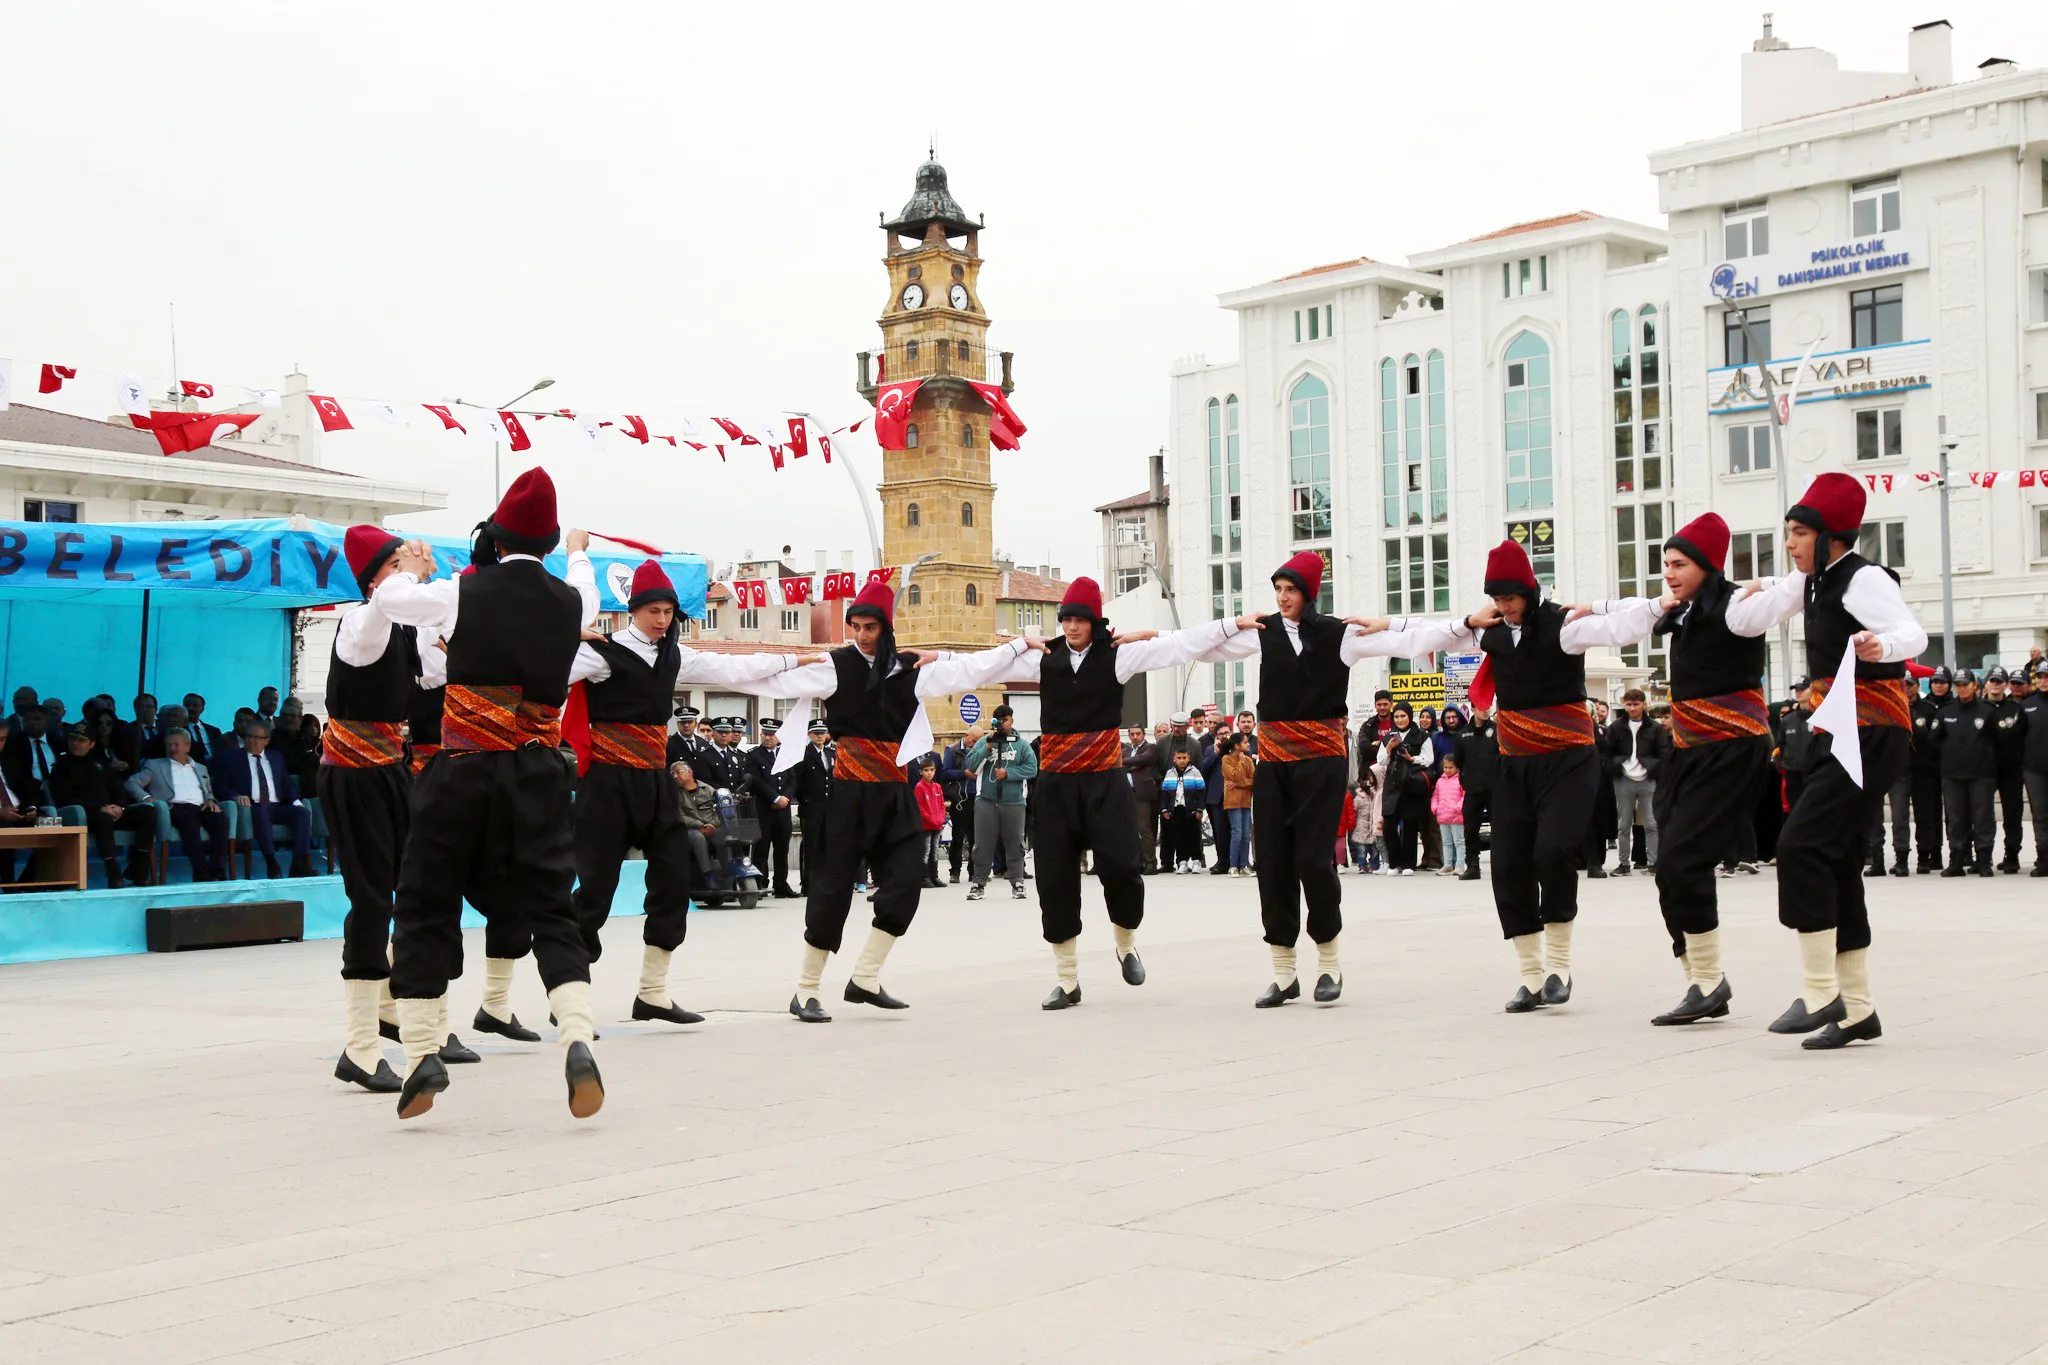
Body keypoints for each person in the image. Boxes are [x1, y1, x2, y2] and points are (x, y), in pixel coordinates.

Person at [373, 469, 608, 1120]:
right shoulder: (570, 599)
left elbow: (393, 600)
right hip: (536, 770)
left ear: (495, 537)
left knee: (424, 898)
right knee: (551, 906)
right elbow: (585, 586)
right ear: (552, 539)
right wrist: (581, 550)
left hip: (463, 769)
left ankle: (422, 1052)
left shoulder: (460, 592)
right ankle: (579, 1036)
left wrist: (413, 567)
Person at [1357, 539, 1653, 1013]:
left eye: (1510, 597)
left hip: (1569, 760)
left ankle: (1558, 967)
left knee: (1553, 851)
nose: (1503, 606)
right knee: (1510, 863)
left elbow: (1629, 623)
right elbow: (1432, 633)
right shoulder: (1490, 630)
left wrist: (1604, 604)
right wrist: (1386, 625)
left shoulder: (1564, 625)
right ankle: (1531, 977)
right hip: (1514, 763)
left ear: (1529, 591)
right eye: (1496, 598)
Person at [738, 579, 1040, 1022]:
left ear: (887, 628)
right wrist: (786, 658)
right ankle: (805, 991)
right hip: (848, 794)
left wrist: (1018, 645)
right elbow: (751, 674)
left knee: (905, 884)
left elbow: (976, 669)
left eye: (870, 627)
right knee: (832, 889)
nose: (861, 635)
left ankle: (865, 976)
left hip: (895, 792)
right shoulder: (833, 666)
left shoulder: (910, 668)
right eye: (855, 626)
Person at [954, 578, 1244, 1005]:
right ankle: (1067, 979)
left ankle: (1125, 944)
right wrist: (949, 657)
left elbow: (1183, 645)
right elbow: (982, 667)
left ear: (1095, 622)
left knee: (1123, 866)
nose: (1072, 627)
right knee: (1054, 877)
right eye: (1066, 619)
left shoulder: (1119, 655)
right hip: (1055, 783)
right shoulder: (1044, 659)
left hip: (1105, 780)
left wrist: (1233, 623)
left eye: (1080, 620)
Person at [1731, 472, 1927, 1050]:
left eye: (1797, 533)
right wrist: (1755, 590)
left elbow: (1911, 633)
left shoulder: (1862, 577)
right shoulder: (1808, 581)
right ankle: (1858, 1010)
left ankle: (1821, 993)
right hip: (1838, 728)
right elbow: (1745, 622)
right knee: (1835, 858)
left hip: (1872, 730)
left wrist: (1879, 646)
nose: (1790, 544)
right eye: (1788, 533)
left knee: (1800, 846)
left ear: (1832, 536)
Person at [567, 560, 807, 1029]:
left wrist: (797, 659)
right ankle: (572, 1001)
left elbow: (736, 668)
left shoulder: (675, 655)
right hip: (607, 783)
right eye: (653, 611)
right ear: (632, 611)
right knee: (595, 888)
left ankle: (652, 994)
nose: (661, 620)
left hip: (654, 783)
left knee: (675, 877)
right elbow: (532, 667)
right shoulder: (601, 652)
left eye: (668, 612)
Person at [1570, 513, 1780, 1026]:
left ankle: (1708, 982)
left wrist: (1768, 581)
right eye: (1665, 564)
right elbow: (1632, 608)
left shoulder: (1738, 607)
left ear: (1708, 564)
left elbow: (1791, 592)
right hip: (1689, 749)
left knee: (1683, 861)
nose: (1668, 573)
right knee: (1670, 868)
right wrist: (1594, 606)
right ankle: (1705, 981)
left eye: (1679, 564)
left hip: (1732, 747)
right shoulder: (1680, 609)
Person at [1196, 551, 1425, 1007]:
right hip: (1276, 762)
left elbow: (1414, 638)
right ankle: (1283, 974)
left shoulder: (1339, 635)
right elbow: (1197, 648)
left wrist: (1394, 623)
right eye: (1278, 590)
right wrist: (1228, 624)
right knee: (1274, 861)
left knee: (1313, 860)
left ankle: (1328, 963)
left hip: (1321, 761)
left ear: (1309, 594)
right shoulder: (1264, 633)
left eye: (1291, 590)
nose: (1282, 598)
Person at [48, 727, 156, 888]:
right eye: (73, 739)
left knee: (148, 811)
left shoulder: (100, 763)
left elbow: (118, 789)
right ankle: (113, 873)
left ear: (91, 744)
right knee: (103, 818)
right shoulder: (61, 766)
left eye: (81, 740)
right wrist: (98, 808)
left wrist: (120, 806)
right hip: (83, 815)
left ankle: (138, 869)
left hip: (110, 811)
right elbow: (64, 798)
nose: (76, 744)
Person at [128, 728, 232, 881]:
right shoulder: (155, 765)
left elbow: (208, 790)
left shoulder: (200, 768)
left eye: (176, 745)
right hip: (174, 807)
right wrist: (147, 798)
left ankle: (218, 869)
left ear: (187, 746)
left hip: (201, 806)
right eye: (169, 745)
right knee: (189, 819)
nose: (172, 749)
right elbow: (131, 783)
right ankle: (200, 870)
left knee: (220, 819)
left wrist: (211, 800)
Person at [216, 718, 313, 879]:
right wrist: (236, 796)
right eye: (249, 737)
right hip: (252, 806)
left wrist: (296, 802)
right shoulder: (231, 758)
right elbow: (219, 786)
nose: (252, 741)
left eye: (257, 737)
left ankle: (299, 864)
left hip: (277, 806)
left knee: (302, 814)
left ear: (266, 741)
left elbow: (286, 783)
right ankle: (271, 862)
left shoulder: (275, 757)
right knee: (260, 812)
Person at [964, 705, 1037, 901]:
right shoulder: (984, 741)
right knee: (982, 844)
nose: (1002, 724)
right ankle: (978, 883)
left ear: (1012, 720)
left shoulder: (1022, 745)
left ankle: (1017, 882)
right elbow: (970, 765)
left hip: (1014, 802)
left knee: (1015, 843)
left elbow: (1032, 769)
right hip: (986, 801)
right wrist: (987, 746)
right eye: (998, 721)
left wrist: (1009, 774)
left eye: (1005, 720)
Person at [1934, 669, 1996, 878]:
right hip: (1952, 774)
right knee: (1956, 819)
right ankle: (1957, 861)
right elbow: (1934, 740)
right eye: (1958, 685)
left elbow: (2000, 742)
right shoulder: (1946, 710)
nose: (1961, 688)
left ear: (1975, 686)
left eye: (1965, 684)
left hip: (1981, 774)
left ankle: (1984, 861)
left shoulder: (1988, 710)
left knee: (1983, 818)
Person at [1601, 688, 1669, 875]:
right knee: (1623, 824)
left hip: (1647, 778)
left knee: (1651, 823)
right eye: (1629, 704)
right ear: (1624, 704)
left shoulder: (1655, 728)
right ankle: (1624, 864)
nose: (1632, 708)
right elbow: (1607, 752)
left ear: (1643, 704)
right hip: (1623, 778)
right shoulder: (1616, 727)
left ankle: (1654, 863)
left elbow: (1663, 753)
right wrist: (1616, 767)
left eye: (1636, 704)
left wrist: (1654, 768)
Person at [743, 716, 800, 898]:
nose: (767, 738)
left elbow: (792, 778)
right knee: (761, 850)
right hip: (764, 809)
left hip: (783, 811)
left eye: (771, 735)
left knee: (782, 849)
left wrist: (786, 797)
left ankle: (781, 885)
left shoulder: (786, 754)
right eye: (764, 734)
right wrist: (775, 798)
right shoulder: (753, 755)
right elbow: (756, 781)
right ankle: (760, 884)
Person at [1985, 667, 2028, 874]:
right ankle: (1981, 856)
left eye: (1999, 681)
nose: (1996, 683)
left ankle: (2012, 855)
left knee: (2012, 815)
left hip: (2011, 770)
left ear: (2005, 684)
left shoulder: (2016, 709)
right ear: (1986, 683)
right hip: (1984, 770)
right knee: (1982, 815)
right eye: (1992, 680)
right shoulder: (1980, 708)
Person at [1379, 705, 1430, 876]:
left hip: (1411, 783)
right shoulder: (1388, 737)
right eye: (1397, 716)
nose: (1400, 720)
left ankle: (1409, 863)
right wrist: (1389, 749)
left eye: (1403, 716)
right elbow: (1381, 762)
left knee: (1410, 825)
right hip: (1392, 784)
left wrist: (1411, 758)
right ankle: (1394, 863)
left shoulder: (1422, 735)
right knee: (1389, 826)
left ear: (1409, 716)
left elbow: (1429, 759)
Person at [1908, 667, 1949, 873]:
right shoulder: (1896, 707)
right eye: (1904, 685)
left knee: (1930, 813)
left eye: (1910, 685)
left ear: (1917, 686)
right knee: (1916, 815)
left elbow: (1935, 739)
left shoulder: (1929, 708)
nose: (1907, 689)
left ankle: (1934, 853)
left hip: (1927, 769)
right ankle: (1921, 853)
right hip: (1904, 769)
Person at [1454, 705, 1497, 881]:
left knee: (1500, 829)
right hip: (1472, 790)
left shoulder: (1497, 730)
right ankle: (1472, 866)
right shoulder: (1463, 734)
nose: (1485, 710)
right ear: (1473, 708)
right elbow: (1458, 761)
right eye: (1481, 707)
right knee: (1470, 829)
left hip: (1495, 790)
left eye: (1488, 707)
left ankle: (1500, 865)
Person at [793, 717, 834, 894]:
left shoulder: (831, 754)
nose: (819, 736)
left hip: (828, 807)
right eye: (816, 733)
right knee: (811, 846)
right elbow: (797, 782)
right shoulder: (804, 754)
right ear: (810, 734)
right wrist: (806, 801)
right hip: (811, 807)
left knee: (827, 846)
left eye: (822, 733)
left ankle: (824, 882)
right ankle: (808, 883)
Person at [1158, 748, 1207, 872]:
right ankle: (1182, 861)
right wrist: (1164, 809)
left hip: (1191, 810)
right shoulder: (1170, 773)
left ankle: (1196, 861)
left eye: (1184, 758)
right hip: (1176, 810)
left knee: (1194, 835)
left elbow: (1202, 792)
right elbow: (1164, 793)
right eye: (1179, 758)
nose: (1181, 761)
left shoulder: (1195, 772)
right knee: (1179, 836)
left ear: (1188, 758)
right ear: (1174, 759)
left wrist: (1200, 809)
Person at [1122, 724, 1162, 876]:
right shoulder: (1125, 750)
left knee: (1144, 828)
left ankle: (1150, 862)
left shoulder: (1150, 748)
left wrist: (1128, 762)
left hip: (1142, 794)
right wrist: (1134, 765)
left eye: (1138, 734)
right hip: (1127, 794)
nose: (1135, 737)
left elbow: (1146, 759)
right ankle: (1137, 861)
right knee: (1130, 829)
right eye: (1132, 734)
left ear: (1144, 734)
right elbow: (1119, 765)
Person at [2022, 668, 2048, 876]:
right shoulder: (2028, 705)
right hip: (2034, 769)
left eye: (2047, 677)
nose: (2043, 680)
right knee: (2040, 815)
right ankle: (2044, 858)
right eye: (2040, 677)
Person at [1222, 732, 1255, 875]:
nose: (1248, 744)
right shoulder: (1226, 759)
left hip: (1246, 801)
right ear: (1237, 746)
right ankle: (1233, 865)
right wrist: (1241, 761)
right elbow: (1234, 775)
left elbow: (1254, 780)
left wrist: (1238, 784)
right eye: (1245, 742)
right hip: (1233, 801)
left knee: (1246, 835)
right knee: (1237, 832)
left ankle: (1244, 865)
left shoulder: (1248, 760)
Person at [914, 757, 946, 888]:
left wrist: (941, 817)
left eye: (931, 770)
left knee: (935, 851)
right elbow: (919, 807)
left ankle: (935, 876)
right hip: (926, 825)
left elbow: (942, 805)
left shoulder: (937, 787)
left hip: (937, 824)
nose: (929, 773)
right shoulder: (919, 787)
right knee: (926, 851)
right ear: (921, 772)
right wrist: (930, 818)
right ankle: (924, 877)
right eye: (926, 770)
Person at [1433, 756, 1467, 876]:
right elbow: (1435, 795)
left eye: (1451, 767)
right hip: (1443, 816)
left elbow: (1464, 795)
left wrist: (1458, 807)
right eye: (1445, 767)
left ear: (1457, 767)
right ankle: (1447, 865)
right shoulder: (1440, 781)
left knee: (1459, 841)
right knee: (1446, 842)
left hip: (1456, 816)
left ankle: (1460, 865)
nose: (1447, 770)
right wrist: (1435, 807)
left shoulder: (1461, 780)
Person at [1351, 764, 1382, 873]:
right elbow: (1353, 811)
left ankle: (1374, 865)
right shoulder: (1358, 798)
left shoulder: (1375, 794)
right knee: (1362, 849)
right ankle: (1362, 865)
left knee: (1375, 850)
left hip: (1373, 827)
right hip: (1361, 828)